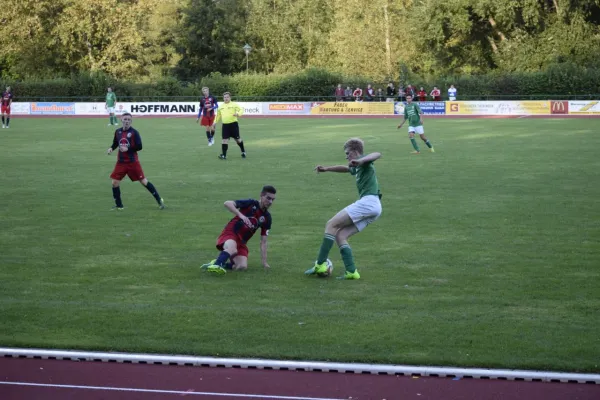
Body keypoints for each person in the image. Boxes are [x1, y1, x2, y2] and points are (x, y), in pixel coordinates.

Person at [305, 138, 382, 280]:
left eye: (348, 153)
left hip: (368, 202)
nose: (346, 156)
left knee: (331, 224)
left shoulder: (364, 161)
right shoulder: (356, 166)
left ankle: (320, 264)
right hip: (375, 207)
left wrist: (361, 160)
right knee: (341, 235)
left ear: (355, 151)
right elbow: (345, 168)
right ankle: (352, 272)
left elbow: (377, 154)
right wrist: (326, 169)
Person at [201, 185, 276, 274]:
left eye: (272, 199)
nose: (270, 202)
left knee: (242, 266)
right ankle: (217, 265)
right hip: (231, 233)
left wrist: (264, 262)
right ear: (261, 195)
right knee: (232, 249)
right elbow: (227, 203)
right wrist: (241, 215)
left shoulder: (267, 217)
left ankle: (219, 262)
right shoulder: (250, 203)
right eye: (268, 198)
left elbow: (263, 241)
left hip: (241, 242)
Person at [106, 113, 165, 210]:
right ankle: (119, 206)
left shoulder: (134, 132)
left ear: (131, 121)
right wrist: (111, 148)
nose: (127, 121)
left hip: (132, 162)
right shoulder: (118, 132)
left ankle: (159, 200)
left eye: (129, 119)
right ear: (121, 120)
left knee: (143, 181)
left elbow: (139, 146)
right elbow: (116, 143)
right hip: (120, 162)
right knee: (115, 182)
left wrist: (127, 149)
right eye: (125, 119)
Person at [213, 92, 245, 160]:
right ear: (223, 98)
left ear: (230, 97)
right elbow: (218, 115)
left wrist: (238, 114)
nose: (226, 98)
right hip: (225, 126)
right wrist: (215, 122)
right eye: (225, 97)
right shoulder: (221, 106)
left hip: (233, 124)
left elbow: (241, 110)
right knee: (224, 140)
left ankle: (243, 151)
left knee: (238, 140)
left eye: (227, 97)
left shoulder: (234, 104)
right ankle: (224, 155)